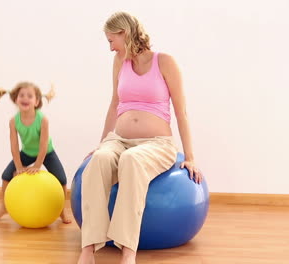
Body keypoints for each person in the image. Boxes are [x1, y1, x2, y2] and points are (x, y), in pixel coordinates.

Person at [77, 12, 203, 264]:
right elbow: (114, 104)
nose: (111, 47)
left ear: (125, 33)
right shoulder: (119, 62)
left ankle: (128, 252)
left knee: (131, 161)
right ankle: (88, 249)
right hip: (119, 140)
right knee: (99, 161)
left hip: (157, 144)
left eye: (112, 40)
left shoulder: (165, 62)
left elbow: (181, 111)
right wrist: (103, 142)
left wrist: (190, 157)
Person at [0, 81, 71, 224]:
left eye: (29, 96)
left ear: (37, 101)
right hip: (27, 152)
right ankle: (4, 207)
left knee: (62, 179)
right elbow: (14, 145)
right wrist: (19, 166)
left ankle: (61, 211)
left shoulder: (43, 120)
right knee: (6, 176)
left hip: (47, 152)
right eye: (21, 95)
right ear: (16, 99)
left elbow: (43, 144)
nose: (25, 98)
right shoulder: (13, 121)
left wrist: (38, 165)